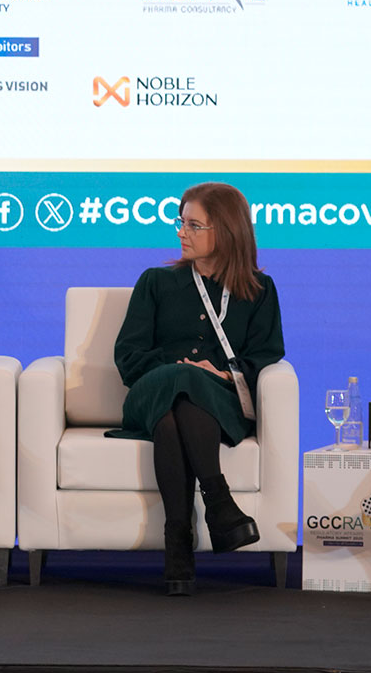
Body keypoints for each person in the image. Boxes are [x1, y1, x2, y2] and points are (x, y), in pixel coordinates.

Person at [107, 181, 284, 595]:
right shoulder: (156, 282)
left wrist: (219, 374)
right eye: (180, 222)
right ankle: (220, 504)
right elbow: (128, 356)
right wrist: (179, 370)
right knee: (181, 382)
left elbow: (266, 355)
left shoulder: (259, 290)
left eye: (193, 225)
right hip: (148, 396)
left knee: (179, 413)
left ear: (225, 229)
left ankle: (178, 542)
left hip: (217, 402)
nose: (181, 232)